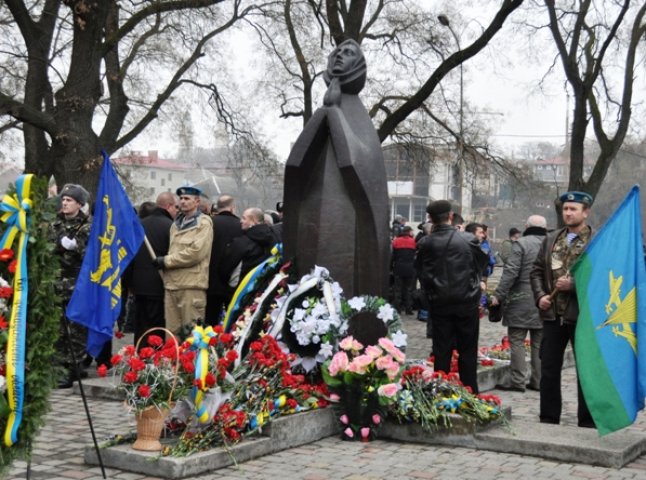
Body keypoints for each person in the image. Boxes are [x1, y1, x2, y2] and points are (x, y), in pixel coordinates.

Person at [530, 190, 595, 428]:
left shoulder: (595, 242)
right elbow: (536, 271)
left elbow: (605, 280)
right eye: (565, 209)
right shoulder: (551, 239)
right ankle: (548, 418)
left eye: (573, 209)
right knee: (548, 370)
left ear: (585, 212)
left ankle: (587, 422)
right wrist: (540, 297)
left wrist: (574, 285)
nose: (568, 213)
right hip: (553, 316)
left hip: (583, 319)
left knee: (586, 373)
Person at [416, 200, 488, 393]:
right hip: (466, 300)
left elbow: (420, 271)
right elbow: (481, 262)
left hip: (439, 302)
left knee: (441, 349)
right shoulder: (467, 239)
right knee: (468, 350)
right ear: (450, 216)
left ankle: (440, 390)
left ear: (430, 219)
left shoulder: (425, 243)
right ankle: (469, 390)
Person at [491, 215, 547, 392]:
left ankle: (518, 381)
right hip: (545, 299)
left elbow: (511, 272)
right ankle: (538, 381)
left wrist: (498, 295)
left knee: (517, 341)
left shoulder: (521, 244)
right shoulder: (552, 244)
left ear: (526, 226)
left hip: (520, 299)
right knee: (539, 342)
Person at [152, 185, 213, 336]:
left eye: (187, 199)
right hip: (172, 284)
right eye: (181, 198)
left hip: (191, 285)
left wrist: (166, 261)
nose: (183, 202)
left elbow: (196, 253)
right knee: (171, 335)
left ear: (197, 202)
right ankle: (173, 360)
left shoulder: (204, 223)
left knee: (191, 335)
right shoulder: (175, 224)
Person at [49, 183, 92, 388]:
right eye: (63, 200)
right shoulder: (55, 223)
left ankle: (73, 367)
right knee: (58, 328)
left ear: (79, 204)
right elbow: (48, 247)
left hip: (77, 284)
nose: (65, 204)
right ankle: (60, 367)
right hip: (56, 283)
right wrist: (60, 245)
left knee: (75, 328)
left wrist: (77, 247)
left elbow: (92, 255)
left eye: (69, 201)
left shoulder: (87, 225)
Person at [129, 192, 178, 346]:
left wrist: (130, 283)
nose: (177, 210)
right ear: (168, 206)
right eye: (176, 206)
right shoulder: (171, 228)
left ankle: (138, 360)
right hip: (160, 285)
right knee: (156, 329)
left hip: (138, 286)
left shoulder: (139, 226)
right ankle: (153, 363)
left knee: (140, 327)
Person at [205, 195, 243, 325]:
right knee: (232, 321)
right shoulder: (240, 225)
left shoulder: (209, 223)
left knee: (209, 321)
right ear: (233, 208)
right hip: (232, 281)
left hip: (209, 281)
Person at [221, 207, 280, 290]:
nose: (241, 221)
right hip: (264, 289)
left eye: (244, 218)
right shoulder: (274, 239)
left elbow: (225, 269)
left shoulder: (241, 243)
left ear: (254, 221)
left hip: (241, 290)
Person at [391, 225, 416, 315]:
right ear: (409, 232)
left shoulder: (396, 241)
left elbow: (392, 256)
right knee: (408, 289)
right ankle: (408, 309)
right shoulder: (413, 241)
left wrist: (391, 266)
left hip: (398, 268)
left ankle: (397, 309)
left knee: (398, 289)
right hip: (410, 268)